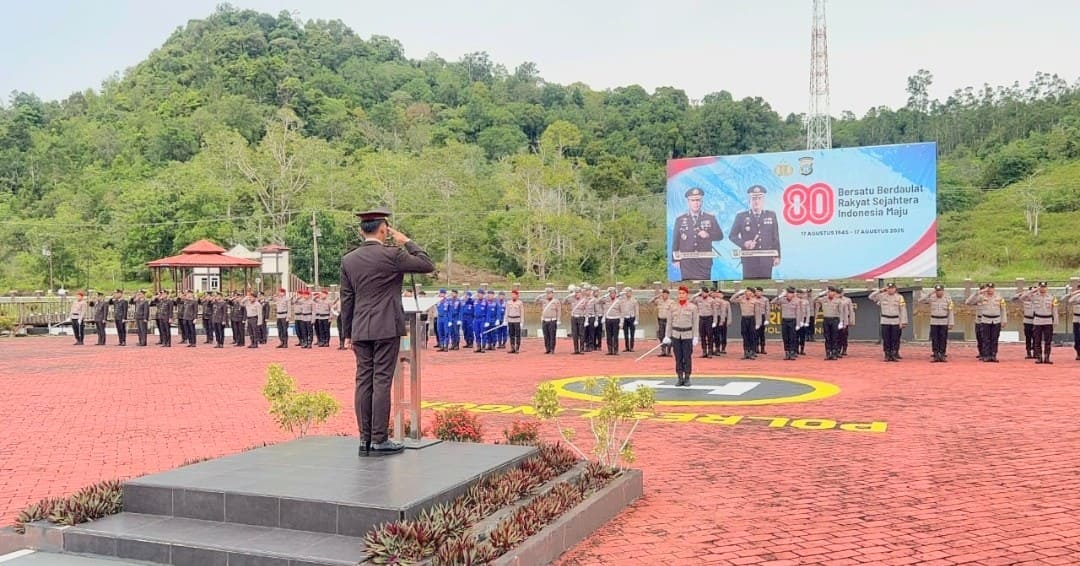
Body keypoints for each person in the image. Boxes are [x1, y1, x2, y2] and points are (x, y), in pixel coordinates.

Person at [340, 207, 434, 456]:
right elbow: (426, 264)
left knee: (363, 381)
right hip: (386, 326)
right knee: (381, 380)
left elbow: (347, 299)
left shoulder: (349, 260)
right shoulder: (393, 254)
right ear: (384, 230)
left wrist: (347, 333)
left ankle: (364, 439)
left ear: (362, 231)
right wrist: (407, 242)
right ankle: (379, 439)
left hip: (360, 328)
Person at [728, 185, 781, 280]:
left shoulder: (771, 215)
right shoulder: (741, 216)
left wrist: (777, 256)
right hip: (749, 260)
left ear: (763, 200)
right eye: (754, 199)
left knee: (765, 284)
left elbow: (775, 237)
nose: (756, 202)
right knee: (749, 284)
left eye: (759, 198)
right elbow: (732, 236)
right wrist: (744, 243)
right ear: (749, 201)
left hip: (766, 260)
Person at [672, 187, 724, 281]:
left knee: (704, 285)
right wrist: (675, 259)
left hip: (704, 262)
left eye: (698, 200)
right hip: (687, 262)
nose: (696, 203)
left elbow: (720, 236)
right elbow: (676, 241)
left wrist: (708, 235)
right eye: (693, 200)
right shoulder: (680, 219)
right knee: (688, 284)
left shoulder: (710, 218)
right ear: (688, 202)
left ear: (702, 202)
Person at [663, 286, 699, 387]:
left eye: (683, 293)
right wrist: (667, 335)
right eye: (679, 293)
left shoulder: (693, 307)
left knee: (687, 357)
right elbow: (669, 322)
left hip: (687, 335)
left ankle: (687, 377)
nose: (681, 295)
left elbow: (695, 322)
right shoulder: (672, 307)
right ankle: (680, 377)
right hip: (676, 335)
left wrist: (695, 336)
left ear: (687, 295)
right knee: (678, 357)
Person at [966, 283, 1006, 362]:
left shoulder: (999, 297)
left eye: (991, 288)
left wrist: (1004, 320)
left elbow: (1003, 309)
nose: (990, 290)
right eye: (988, 288)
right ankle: (986, 356)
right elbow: (968, 302)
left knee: (994, 339)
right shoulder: (982, 297)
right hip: (985, 320)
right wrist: (978, 292)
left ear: (994, 289)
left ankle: (993, 355)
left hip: (996, 320)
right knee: (985, 339)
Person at [869, 283, 908, 362]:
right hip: (885, 320)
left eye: (892, 288)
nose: (891, 290)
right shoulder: (882, 296)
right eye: (889, 288)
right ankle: (887, 354)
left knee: (895, 339)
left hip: (896, 320)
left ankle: (893, 354)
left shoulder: (899, 297)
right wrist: (880, 290)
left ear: (895, 289)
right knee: (886, 339)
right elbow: (871, 297)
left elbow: (903, 309)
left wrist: (903, 322)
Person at [1022, 282, 1058, 364]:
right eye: (1041, 287)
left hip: (1048, 320)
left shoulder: (1051, 297)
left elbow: (1055, 311)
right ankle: (1039, 357)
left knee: (1048, 341)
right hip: (1038, 320)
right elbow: (1023, 297)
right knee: (1037, 340)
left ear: (1047, 288)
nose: (1043, 288)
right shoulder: (1034, 296)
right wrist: (1034, 290)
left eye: (1044, 287)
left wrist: (1055, 321)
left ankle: (1047, 357)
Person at [919, 285, 954, 362]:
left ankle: (942, 355)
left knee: (943, 339)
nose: (938, 292)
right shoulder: (932, 298)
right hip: (934, 321)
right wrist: (930, 293)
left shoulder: (948, 298)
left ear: (943, 291)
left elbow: (950, 311)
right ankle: (935, 354)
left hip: (944, 321)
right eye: (937, 291)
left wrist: (951, 322)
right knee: (934, 339)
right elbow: (920, 300)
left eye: (940, 291)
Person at [772, 286, 803, 361]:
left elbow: (798, 313)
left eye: (790, 293)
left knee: (792, 337)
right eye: (788, 293)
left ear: (793, 294)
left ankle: (792, 352)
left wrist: (798, 324)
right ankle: (787, 352)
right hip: (784, 320)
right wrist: (780, 295)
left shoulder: (797, 301)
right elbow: (772, 302)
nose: (789, 295)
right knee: (785, 337)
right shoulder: (782, 300)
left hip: (793, 320)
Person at [816, 287, 846, 361]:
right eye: (829, 292)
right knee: (827, 337)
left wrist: (841, 322)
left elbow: (841, 312)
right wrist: (822, 293)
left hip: (835, 320)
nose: (830, 293)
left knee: (834, 337)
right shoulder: (823, 299)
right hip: (826, 319)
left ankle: (834, 353)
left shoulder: (838, 301)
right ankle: (828, 353)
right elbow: (814, 299)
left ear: (834, 293)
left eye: (831, 292)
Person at [730, 286, 758, 359]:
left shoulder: (755, 300)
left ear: (752, 293)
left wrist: (758, 323)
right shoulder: (741, 299)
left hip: (752, 319)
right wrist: (738, 293)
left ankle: (752, 352)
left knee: (752, 336)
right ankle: (746, 353)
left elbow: (757, 312)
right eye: (746, 292)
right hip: (744, 318)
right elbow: (731, 299)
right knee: (745, 335)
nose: (747, 294)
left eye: (749, 292)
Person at [1012, 287, 1036, 359]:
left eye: (1034, 292)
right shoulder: (1025, 300)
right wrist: (1024, 293)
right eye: (1032, 292)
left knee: (1036, 337)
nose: (1033, 294)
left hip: (1036, 321)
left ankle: (1036, 352)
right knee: (1028, 337)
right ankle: (1028, 352)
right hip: (1027, 321)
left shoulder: (1039, 300)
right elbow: (1013, 299)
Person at [537, 287, 561, 354]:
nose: (548, 295)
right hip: (545, 321)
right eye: (547, 293)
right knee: (546, 335)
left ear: (552, 294)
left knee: (552, 335)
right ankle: (547, 349)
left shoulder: (556, 301)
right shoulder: (543, 301)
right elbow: (535, 301)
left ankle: (552, 349)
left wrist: (558, 320)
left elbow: (559, 311)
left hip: (552, 320)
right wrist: (541, 295)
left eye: (550, 293)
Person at [651, 288, 673, 357]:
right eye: (663, 294)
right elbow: (650, 301)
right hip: (660, 320)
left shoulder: (671, 302)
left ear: (668, 295)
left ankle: (669, 351)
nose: (664, 295)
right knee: (661, 336)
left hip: (668, 321)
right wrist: (658, 296)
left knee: (669, 336)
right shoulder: (659, 301)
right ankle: (663, 351)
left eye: (666, 294)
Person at [693, 287, 714, 358]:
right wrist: (697, 294)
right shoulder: (698, 299)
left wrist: (715, 321)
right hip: (701, 318)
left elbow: (715, 311)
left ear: (707, 293)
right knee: (702, 335)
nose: (703, 294)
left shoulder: (711, 300)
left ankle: (710, 351)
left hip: (709, 318)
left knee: (709, 335)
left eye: (704, 292)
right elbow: (691, 300)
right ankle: (704, 351)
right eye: (702, 292)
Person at [602, 287, 622, 355]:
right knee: (609, 336)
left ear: (615, 294)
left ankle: (615, 351)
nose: (612, 294)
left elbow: (622, 312)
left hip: (616, 319)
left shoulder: (619, 301)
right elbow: (599, 301)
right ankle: (610, 350)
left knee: (615, 336)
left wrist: (621, 322)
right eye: (611, 293)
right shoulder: (606, 300)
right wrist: (606, 295)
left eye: (613, 293)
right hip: (608, 319)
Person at [569, 288, 589, 355]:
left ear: (581, 293)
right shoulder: (572, 299)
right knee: (574, 334)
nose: (577, 294)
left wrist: (586, 320)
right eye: (576, 293)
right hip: (573, 317)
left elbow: (586, 310)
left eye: (578, 293)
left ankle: (582, 349)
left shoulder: (584, 300)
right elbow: (564, 301)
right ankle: (576, 350)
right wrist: (570, 295)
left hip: (581, 317)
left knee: (581, 334)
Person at [504, 289, 524, 354]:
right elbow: (506, 312)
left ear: (517, 295)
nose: (513, 296)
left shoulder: (520, 303)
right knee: (511, 335)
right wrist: (505, 320)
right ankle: (512, 348)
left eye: (514, 295)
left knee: (518, 335)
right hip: (510, 320)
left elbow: (522, 313)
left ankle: (517, 348)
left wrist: (522, 322)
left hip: (517, 320)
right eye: (512, 295)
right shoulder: (508, 302)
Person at [712, 289, 730, 356]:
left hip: (723, 318)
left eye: (720, 294)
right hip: (716, 318)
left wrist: (729, 320)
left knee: (723, 334)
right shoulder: (713, 301)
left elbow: (729, 312)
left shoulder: (726, 302)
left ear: (722, 295)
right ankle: (717, 348)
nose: (718, 295)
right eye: (717, 293)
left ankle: (723, 348)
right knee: (716, 334)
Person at [838, 287, 855, 357]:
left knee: (844, 335)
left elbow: (851, 310)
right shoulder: (836, 299)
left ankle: (844, 349)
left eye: (841, 292)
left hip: (845, 319)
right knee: (838, 335)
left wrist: (852, 320)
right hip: (837, 319)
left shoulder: (847, 300)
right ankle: (838, 349)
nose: (840, 294)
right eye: (839, 292)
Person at [621, 287, 638, 353]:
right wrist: (621, 320)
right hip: (625, 318)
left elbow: (636, 311)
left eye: (629, 292)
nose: (628, 293)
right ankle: (627, 347)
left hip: (632, 318)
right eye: (627, 292)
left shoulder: (634, 301)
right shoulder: (622, 300)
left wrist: (636, 319)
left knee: (632, 333)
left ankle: (631, 347)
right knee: (625, 333)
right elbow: (621, 311)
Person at [1066, 284, 1080, 361]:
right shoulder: (1075, 297)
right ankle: (1078, 353)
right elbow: (1069, 301)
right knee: (1077, 337)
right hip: (1076, 319)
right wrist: (1077, 294)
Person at [754, 287, 768, 354]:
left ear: (762, 292)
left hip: (762, 316)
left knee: (762, 333)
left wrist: (767, 319)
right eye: (757, 291)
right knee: (755, 333)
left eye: (759, 291)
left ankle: (763, 348)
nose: (758, 293)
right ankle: (756, 347)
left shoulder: (765, 299)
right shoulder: (753, 299)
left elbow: (767, 310)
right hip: (755, 316)